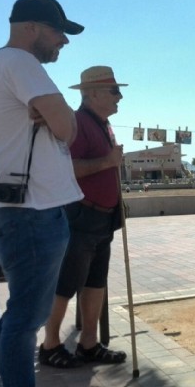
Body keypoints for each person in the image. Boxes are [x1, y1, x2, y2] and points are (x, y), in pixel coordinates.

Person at [0, 0, 85, 387]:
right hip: (31, 212)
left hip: (19, 209)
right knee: (25, 319)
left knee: (19, 310)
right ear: (31, 27)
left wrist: (54, 113)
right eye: (58, 32)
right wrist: (59, 112)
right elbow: (69, 129)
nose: (63, 42)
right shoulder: (20, 62)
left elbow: (60, 123)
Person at [39, 66, 129, 368]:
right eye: (114, 90)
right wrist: (108, 161)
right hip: (81, 217)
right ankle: (50, 344)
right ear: (91, 93)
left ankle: (88, 344)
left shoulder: (103, 124)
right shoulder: (79, 123)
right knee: (65, 284)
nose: (119, 97)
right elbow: (66, 168)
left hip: (102, 220)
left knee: (95, 282)